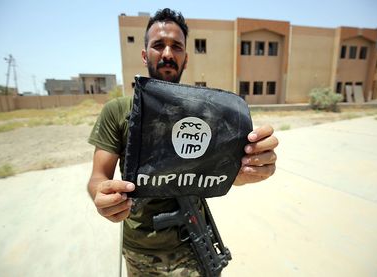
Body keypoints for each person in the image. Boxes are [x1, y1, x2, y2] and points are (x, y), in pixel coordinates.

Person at [87, 8, 278, 276]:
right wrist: (101, 195)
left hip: (193, 243)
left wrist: (250, 167)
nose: (167, 53)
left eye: (176, 46)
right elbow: (98, 177)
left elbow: (221, 169)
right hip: (141, 251)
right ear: (144, 55)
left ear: (185, 59)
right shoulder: (118, 111)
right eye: (158, 45)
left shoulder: (207, 112)